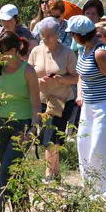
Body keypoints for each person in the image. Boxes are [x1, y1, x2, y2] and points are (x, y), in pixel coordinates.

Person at [69, 15, 106, 200]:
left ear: (79, 35)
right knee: (85, 145)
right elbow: (82, 76)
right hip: (89, 104)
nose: (71, 37)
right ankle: (91, 190)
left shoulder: (100, 53)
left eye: (72, 34)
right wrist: (81, 95)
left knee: (102, 148)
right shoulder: (84, 49)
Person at [0, 32, 40, 212]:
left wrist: (33, 130)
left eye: (3, 52)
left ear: (14, 50)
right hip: (0, 124)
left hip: (22, 125)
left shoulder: (28, 71)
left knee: (6, 170)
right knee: (14, 172)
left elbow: (36, 104)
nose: (0, 56)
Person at [28, 17, 78, 182]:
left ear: (57, 34)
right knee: (46, 135)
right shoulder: (36, 51)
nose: (45, 38)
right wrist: (38, 80)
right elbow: (29, 73)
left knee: (52, 135)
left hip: (62, 100)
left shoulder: (67, 52)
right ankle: (56, 173)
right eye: (42, 35)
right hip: (41, 99)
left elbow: (76, 78)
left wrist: (59, 79)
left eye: (49, 35)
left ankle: (49, 173)